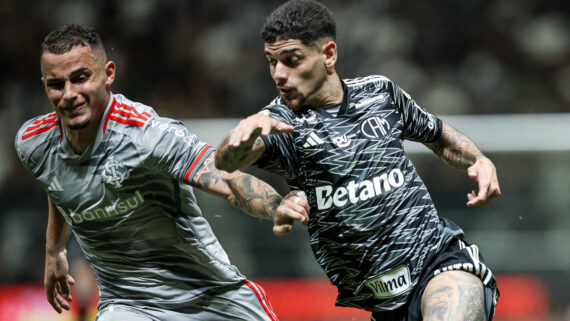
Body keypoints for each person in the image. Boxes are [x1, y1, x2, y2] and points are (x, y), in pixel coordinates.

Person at [214, 1, 501, 320]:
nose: (279, 74)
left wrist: (478, 159)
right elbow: (227, 161)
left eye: (291, 60)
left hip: (439, 263)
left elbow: (437, 134)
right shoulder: (279, 123)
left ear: (328, 55)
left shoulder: (380, 93)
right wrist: (242, 134)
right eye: (272, 62)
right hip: (383, 302)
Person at [14, 24, 310, 321]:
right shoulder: (33, 144)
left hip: (211, 295)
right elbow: (58, 185)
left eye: (80, 78)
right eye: (56, 84)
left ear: (109, 74)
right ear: (44, 85)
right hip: (129, 305)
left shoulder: (147, 135)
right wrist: (54, 250)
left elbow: (224, 178)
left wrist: (275, 206)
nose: (69, 94)